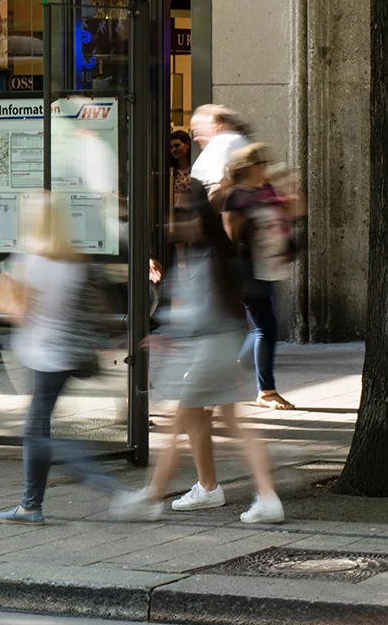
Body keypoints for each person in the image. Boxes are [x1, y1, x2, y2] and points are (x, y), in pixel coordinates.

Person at [113, 178, 284, 524]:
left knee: (181, 422)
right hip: (221, 348)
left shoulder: (205, 258)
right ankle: (218, 489)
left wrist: (165, 332)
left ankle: (153, 497)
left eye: (181, 214)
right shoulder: (210, 253)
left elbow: (200, 314)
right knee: (215, 421)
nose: (174, 223)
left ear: (198, 218)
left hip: (212, 350)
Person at [0, 197, 122, 525]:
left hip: (41, 355)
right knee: (37, 430)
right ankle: (30, 506)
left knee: (37, 435)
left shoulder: (30, 261)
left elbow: (20, 314)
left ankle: (102, 482)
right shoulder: (74, 261)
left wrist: (1, 297)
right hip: (67, 354)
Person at [219, 143, 299, 410]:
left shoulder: (266, 190)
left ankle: (231, 373)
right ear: (249, 167)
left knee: (262, 329)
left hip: (269, 267)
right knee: (265, 328)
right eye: (261, 163)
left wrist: (289, 187)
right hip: (247, 270)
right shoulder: (235, 196)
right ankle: (266, 391)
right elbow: (230, 236)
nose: (266, 167)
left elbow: (294, 211)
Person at [189, 104, 250, 193]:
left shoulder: (224, 141)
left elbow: (217, 187)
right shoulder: (238, 140)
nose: (195, 138)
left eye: (197, 131)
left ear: (217, 125)